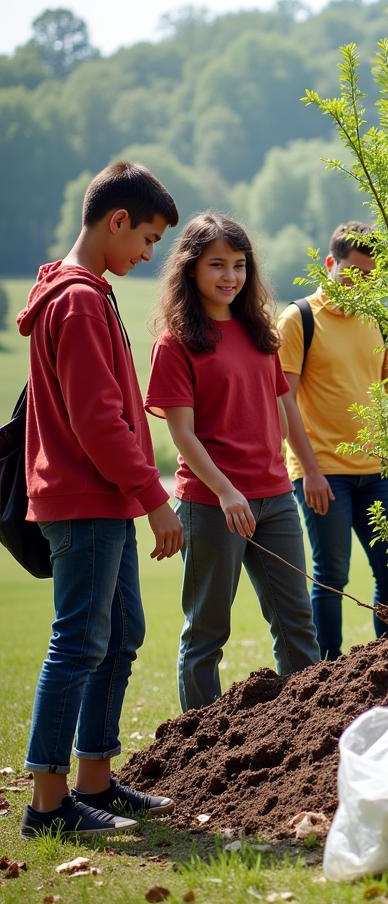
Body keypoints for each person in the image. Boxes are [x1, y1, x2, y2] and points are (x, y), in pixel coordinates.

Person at [18, 161, 181, 838]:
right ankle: (48, 806)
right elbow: (99, 420)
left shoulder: (80, 288)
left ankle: (94, 780)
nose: (148, 255)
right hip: (87, 501)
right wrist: (155, 498)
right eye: (146, 239)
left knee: (120, 636)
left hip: (102, 501)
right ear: (117, 221)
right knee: (80, 642)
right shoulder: (80, 299)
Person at [147, 213, 320, 712]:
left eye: (239, 265)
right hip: (211, 504)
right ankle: (198, 747)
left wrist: (299, 466)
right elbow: (181, 431)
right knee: (206, 631)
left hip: (275, 499)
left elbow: (283, 407)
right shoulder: (175, 343)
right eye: (217, 264)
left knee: (296, 623)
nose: (230, 276)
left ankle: (305, 733)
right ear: (191, 269)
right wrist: (226, 490)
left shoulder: (261, 333)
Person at [278, 221, 388, 660]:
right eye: (354, 274)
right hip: (321, 472)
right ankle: (327, 673)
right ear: (330, 264)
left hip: (375, 472)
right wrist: (311, 471)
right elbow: (285, 400)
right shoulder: (299, 318)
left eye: (371, 277)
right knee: (331, 574)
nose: (362, 286)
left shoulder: (378, 318)